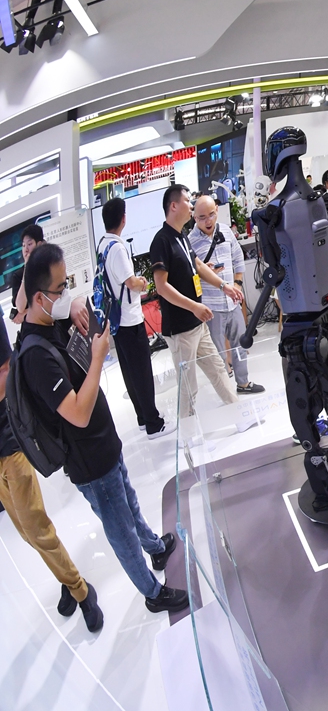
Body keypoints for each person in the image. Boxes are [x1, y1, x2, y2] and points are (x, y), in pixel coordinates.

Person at [17, 243, 188, 613]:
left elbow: (72, 307)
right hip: (88, 459)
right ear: (37, 297)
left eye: (67, 284)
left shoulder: (52, 321)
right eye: (60, 288)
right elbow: (77, 413)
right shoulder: (34, 355)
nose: (65, 293)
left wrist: (76, 300)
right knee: (120, 529)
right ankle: (152, 593)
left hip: (104, 442)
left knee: (129, 500)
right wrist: (97, 357)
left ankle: (156, 549)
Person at [0, 314, 103, 632]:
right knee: (27, 533)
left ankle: (81, 591)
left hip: (10, 443)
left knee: (37, 528)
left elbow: (5, 373)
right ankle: (65, 575)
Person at [149, 185, 246, 420]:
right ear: (173, 206)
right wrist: (194, 306)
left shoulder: (181, 236)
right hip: (181, 329)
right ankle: (188, 437)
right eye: (186, 201)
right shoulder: (161, 241)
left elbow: (199, 267)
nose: (191, 206)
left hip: (198, 324)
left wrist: (225, 286)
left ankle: (239, 414)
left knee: (218, 370)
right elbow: (162, 287)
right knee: (188, 386)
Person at [98, 198, 174, 438]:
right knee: (141, 371)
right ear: (123, 219)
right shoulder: (118, 248)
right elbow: (130, 282)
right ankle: (154, 423)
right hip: (130, 319)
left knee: (130, 372)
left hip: (117, 319)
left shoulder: (103, 244)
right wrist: (142, 282)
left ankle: (142, 416)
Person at [188, 195, 264, 395]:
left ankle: (243, 383)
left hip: (232, 302)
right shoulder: (190, 242)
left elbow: (238, 258)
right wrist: (203, 272)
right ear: (194, 217)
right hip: (211, 306)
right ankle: (226, 392)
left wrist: (237, 284)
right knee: (217, 352)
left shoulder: (225, 232)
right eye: (202, 217)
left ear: (217, 212)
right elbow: (190, 277)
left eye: (211, 214)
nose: (208, 221)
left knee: (240, 344)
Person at [10, 224, 45, 323]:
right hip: (33, 328)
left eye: (29, 244)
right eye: (23, 245)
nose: (25, 250)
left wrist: (26, 313)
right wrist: (27, 268)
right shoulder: (18, 275)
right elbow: (20, 307)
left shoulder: (49, 267)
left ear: (39, 245)